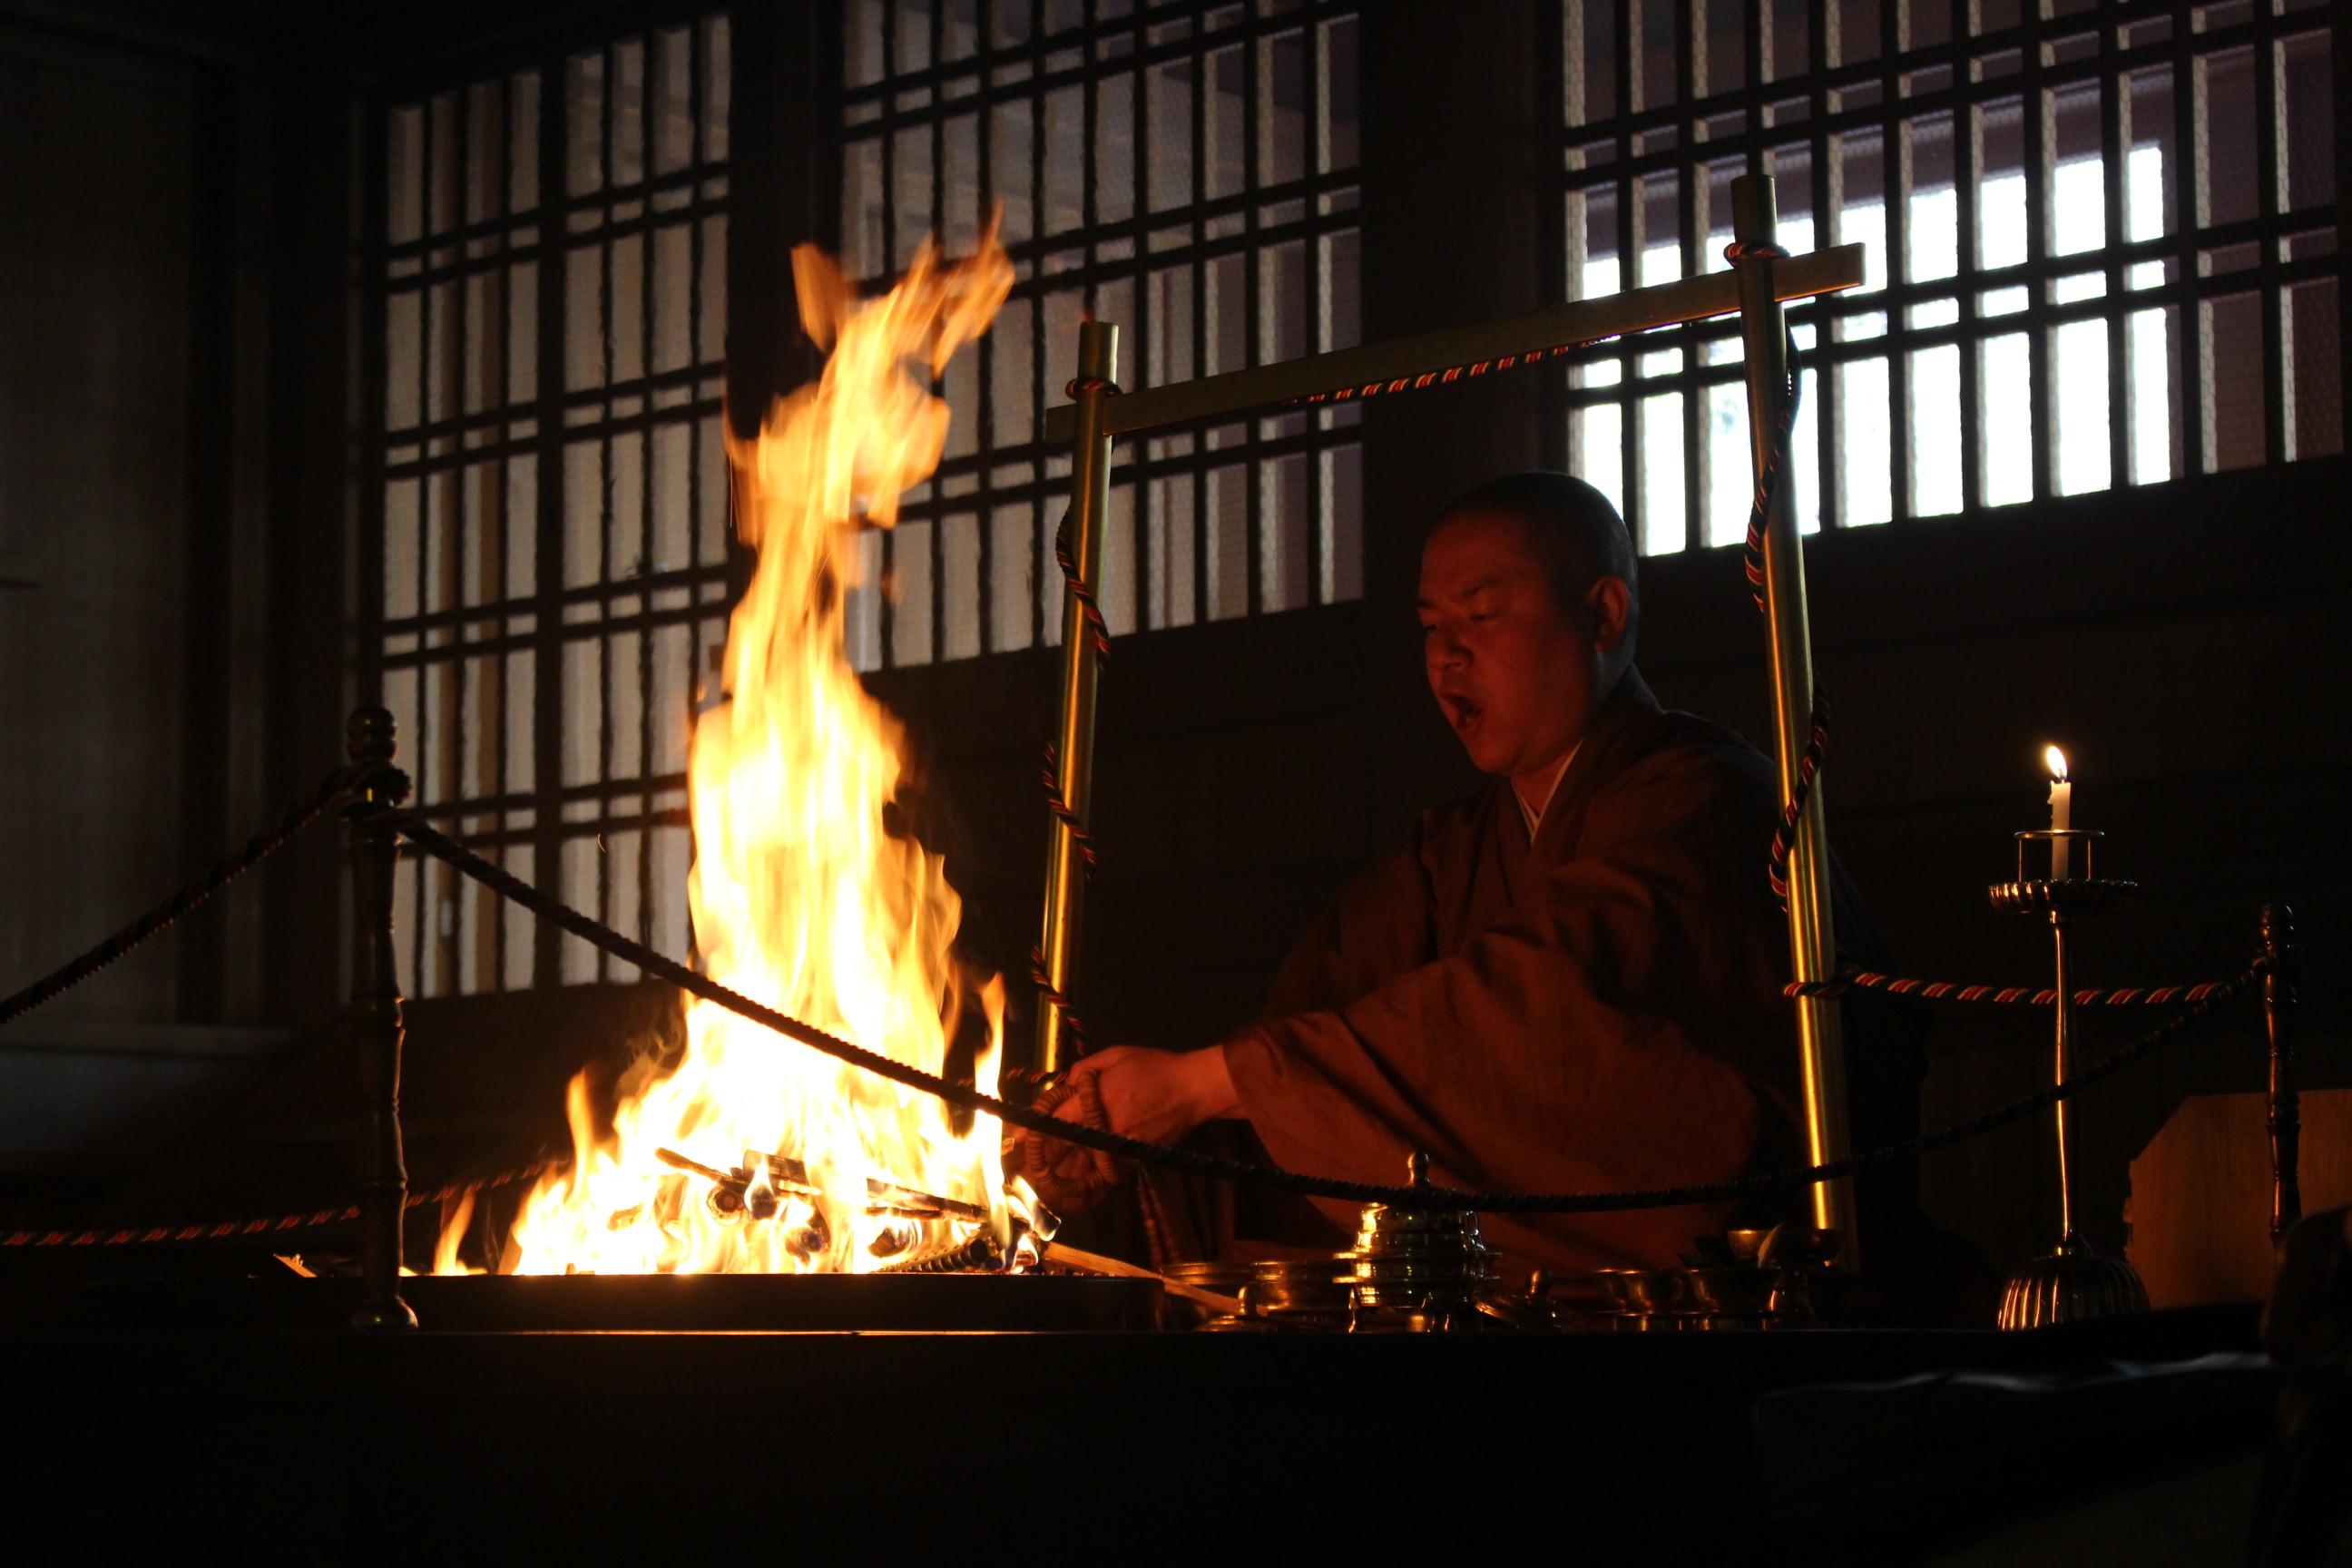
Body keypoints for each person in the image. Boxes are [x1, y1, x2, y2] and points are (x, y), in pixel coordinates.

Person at [1020, 471, 1938, 1294]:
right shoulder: (1447, 858)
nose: (1446, 656)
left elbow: (1543, 1018)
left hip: (1749, 1315)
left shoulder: (1705, 803)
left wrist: (1203, 1085)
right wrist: (1129, 1137)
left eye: (1482, 615)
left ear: (1602, 616)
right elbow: (1299, 1063)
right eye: (1430, 628)